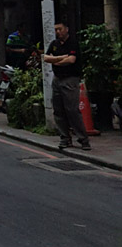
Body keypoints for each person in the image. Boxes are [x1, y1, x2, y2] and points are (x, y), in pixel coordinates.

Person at [44, 21, 91, 151]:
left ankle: (83, 139)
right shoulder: (54, 44)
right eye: (56, 30)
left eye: (60, 29)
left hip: (70, 79)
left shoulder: (73, 43)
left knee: (72, 110)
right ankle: (65, 138)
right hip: (57, 79)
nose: (58, 32)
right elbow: (46, 58)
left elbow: (71, 60)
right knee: (58, 110)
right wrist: (61, 58)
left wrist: (56, 60)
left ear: (66, 29)